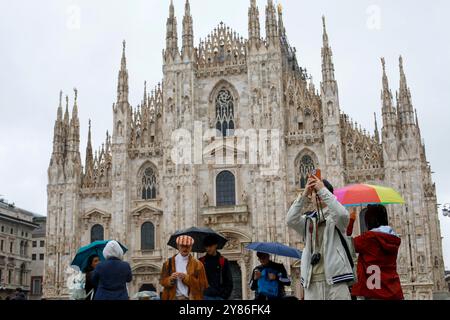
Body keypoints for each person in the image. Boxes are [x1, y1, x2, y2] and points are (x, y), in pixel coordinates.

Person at [286, 174, 354, 300]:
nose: (318, 197)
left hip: (336, 280)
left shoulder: (337, 219)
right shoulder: (308, 221)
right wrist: (305, 194)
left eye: (321, 195)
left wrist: (322, 190)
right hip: (312, 281)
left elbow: (342, 214)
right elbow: (290, 220)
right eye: (315, 195)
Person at [351, 205, 404, 300]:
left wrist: (350, 222)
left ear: (372, 221)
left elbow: (347, 245)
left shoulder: (369, 238)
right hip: (394, 290)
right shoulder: (394, 239)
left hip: (374, 292)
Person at [160, 235, 208, 300]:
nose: (185, 248)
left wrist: (186, 278)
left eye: (187, 246)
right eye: (182, 246)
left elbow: (203, 285)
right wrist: (170, 279)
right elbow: (162, 281)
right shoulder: (168, 263)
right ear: (178, 246)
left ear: (191, 247)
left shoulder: (198, 264)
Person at [199, 235, 233, 300]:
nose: (208, 249)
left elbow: (229, 281)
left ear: (216, 245)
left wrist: (224, 296)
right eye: (206, 247)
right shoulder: (201, 261)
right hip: (205, 296)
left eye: (210, 246)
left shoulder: (223, 261)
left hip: (219, 297)